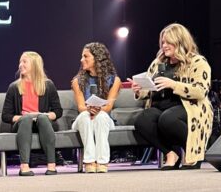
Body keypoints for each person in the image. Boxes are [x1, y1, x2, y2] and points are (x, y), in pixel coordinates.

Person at [130, 23, 213, 170]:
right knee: (142, 120)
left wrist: (174, 85)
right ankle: (171, 154)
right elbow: (151, 88)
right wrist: (139, 90)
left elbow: (201, 91)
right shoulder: (158, 63)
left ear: (180, 42)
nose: (164, 45)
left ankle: (191, 154)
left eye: (168, 42)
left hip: (189, 107)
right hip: (161, 106)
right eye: (163, 42)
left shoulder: (197, 61)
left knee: (168, 119)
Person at [1, 51, 63, 176]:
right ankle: (24, 166)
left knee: (43, 119)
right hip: (23, 124)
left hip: (42, 122)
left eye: (24, 62)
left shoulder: (48, 85)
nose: (20, 65)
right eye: (20, 62)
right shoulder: (14, 87)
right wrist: (27, 117)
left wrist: (44, 115)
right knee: (26, 119)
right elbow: (6, 115)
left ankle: (51, 165)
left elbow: (58, 111)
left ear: (34, 65)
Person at [71, 42, 121, 173]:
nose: (82, 60)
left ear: (97, 58)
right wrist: (89, 110)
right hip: (84, 119)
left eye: (85, 56)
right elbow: (81, 107)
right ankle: (89, 161)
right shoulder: (77, 81)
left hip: (103, 119)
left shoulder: (115, 80)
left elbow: (109, 106)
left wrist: (98, 110)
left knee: (102, 116)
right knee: (85, 116)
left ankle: (102, 162)